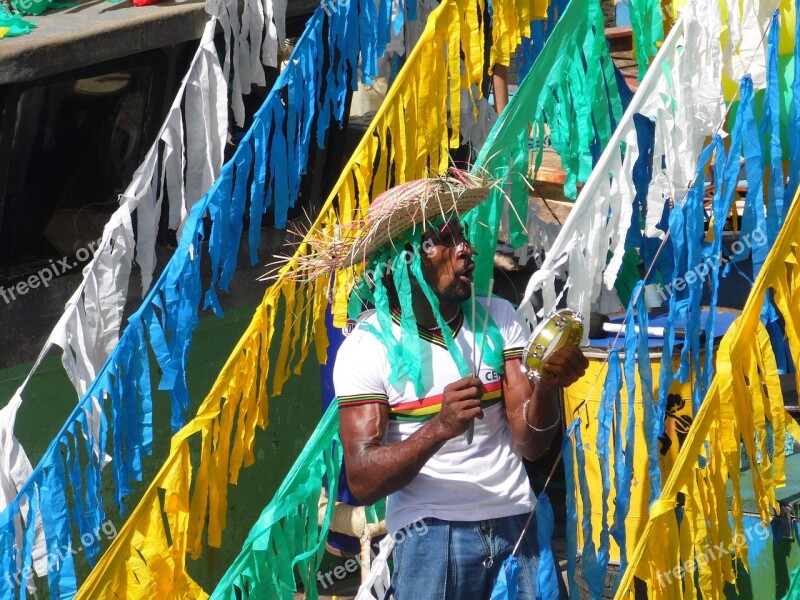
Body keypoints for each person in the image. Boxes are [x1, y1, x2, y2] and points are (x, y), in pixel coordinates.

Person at [330, 172, 588, 599]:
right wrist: (439, 427)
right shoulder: (367, 347)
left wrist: (547, 388)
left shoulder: (498, 318)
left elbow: (530, 443)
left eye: (462, 235)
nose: (466, 249)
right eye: (446, 239)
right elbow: (362, 481)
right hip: (431, 536)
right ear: (407, 257)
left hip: (517, 523)